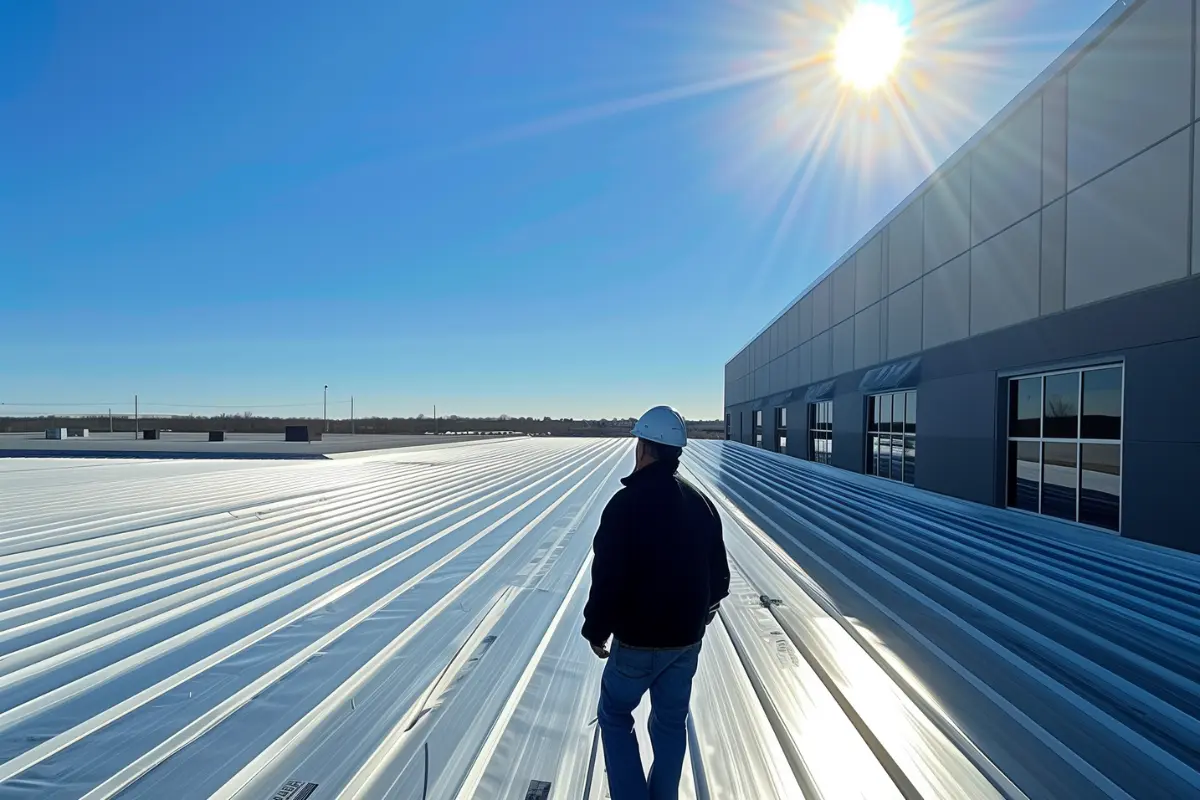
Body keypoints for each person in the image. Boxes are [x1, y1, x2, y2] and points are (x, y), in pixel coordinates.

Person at [581, 405, 731, 800]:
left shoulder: (624, 506)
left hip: (636, 643)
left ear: (646, 448)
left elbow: (608, 577)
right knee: (670, 724)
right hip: (684, 643)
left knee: (614, 716)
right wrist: (703, 614)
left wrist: (596, 629)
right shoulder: (701, 503)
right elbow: (719, 576)